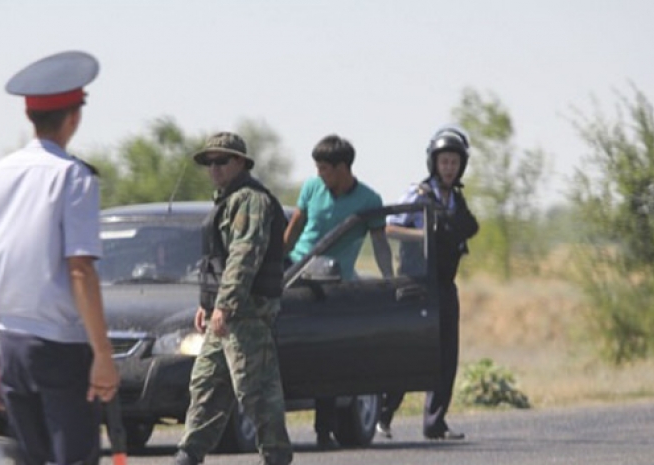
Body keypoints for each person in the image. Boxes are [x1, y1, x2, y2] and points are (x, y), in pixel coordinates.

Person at [0, 50, 119, 465]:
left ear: (31, 116)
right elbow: (80, 270)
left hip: (12, 345)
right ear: (73, 117)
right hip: (61, 348)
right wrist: (103, 354)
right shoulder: (73, 176)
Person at [174, 132, 293, 465]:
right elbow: (218, 261)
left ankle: (276, 457)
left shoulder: (250, 200)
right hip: (224, 315)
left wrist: (224, 305)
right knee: (206, 385)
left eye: (222, 160)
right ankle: (188, 454)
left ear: (240, 162)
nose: (214, 168)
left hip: (247, 314)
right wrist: (208, 303)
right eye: (209, 162)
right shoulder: (227, 199)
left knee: (256, 393)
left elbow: (244, 255)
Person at [282, 134, 393, 449]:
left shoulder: (370, 200)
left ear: (343, 168)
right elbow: (293, 234)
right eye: (317, 167)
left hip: (332, 285)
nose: (319, 174)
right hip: (295, 273)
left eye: (324, 168)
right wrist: (274, 268)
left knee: (326, 356)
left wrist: (390, 282)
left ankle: (323, 431)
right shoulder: (311, 188)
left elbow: (380, 245)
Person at [381, 125, 479, 441]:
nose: (449, 168)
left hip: (444, 286)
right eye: (444, 162)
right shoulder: (418, 194)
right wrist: (424, 236)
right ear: (434, 163)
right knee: (409, 352)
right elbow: (390, 229)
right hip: (416, 285)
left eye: (454, 162)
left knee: (446, 355)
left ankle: (435, 423)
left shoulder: (457, 202)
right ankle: (383, 415)